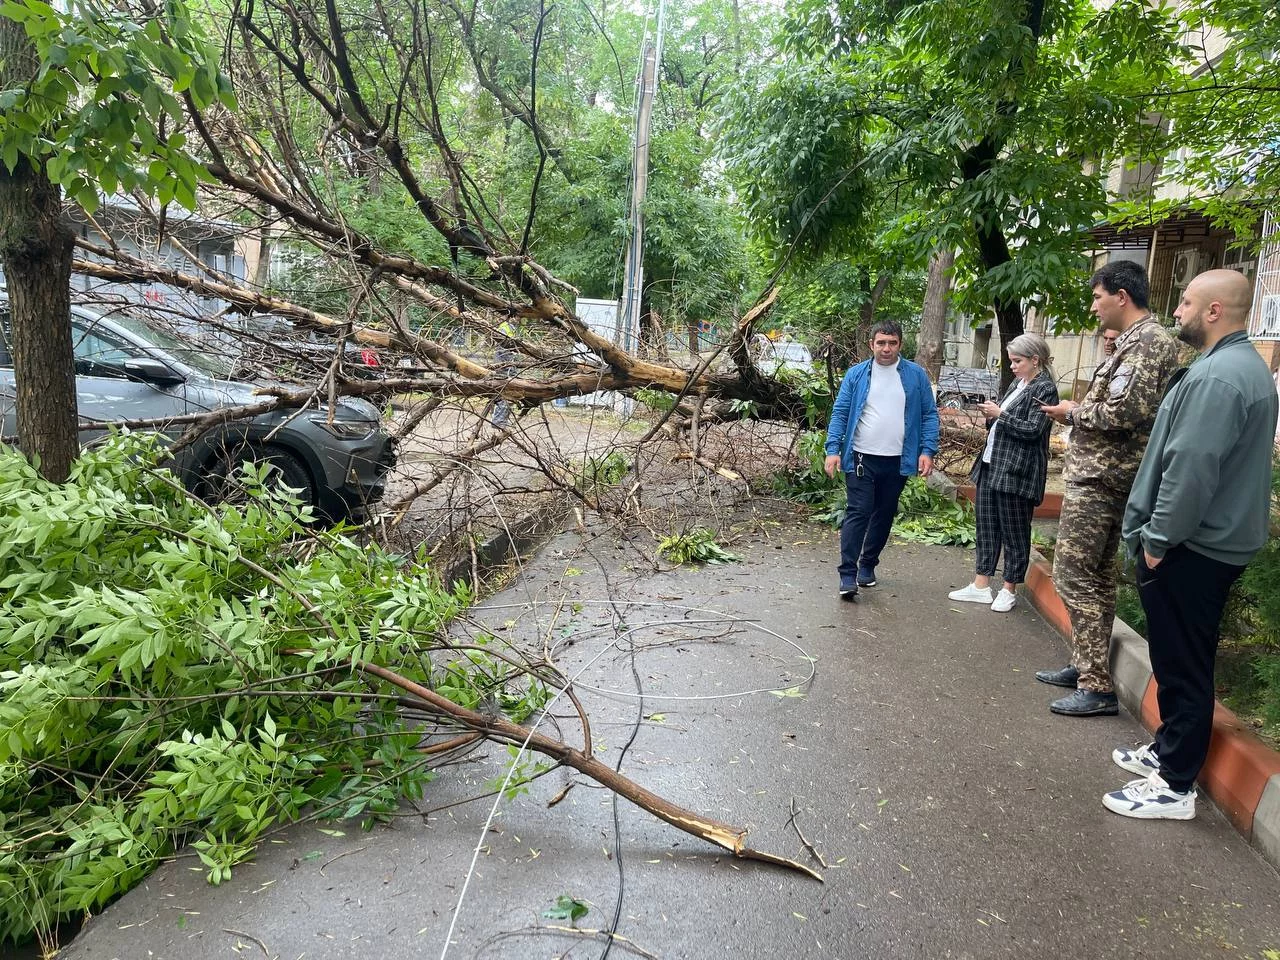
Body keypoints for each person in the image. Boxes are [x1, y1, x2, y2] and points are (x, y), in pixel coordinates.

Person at [1103, 269, 1278, 819]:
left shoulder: (1221, 377)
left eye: (1184, 301)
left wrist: (1158, 539)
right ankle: (1169, 751)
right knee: (1177, 654)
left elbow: (1192, 468)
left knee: (1184, 661)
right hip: (1198, 543)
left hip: (1192, 547)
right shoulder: (1224, 367)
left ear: (1213, 311)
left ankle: (1175, 784)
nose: (1174, 310)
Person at [1037, 261, 1181, 716]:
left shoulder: (1148, 343)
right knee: (1096, 578)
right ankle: (1086, 665)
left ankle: (1096, 685)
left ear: (1122, 295)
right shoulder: (1134, 343)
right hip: (1105, 476)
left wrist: (1072, 413)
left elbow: (1122, 413)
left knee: (1072, 574)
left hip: (1105, 479)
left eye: (1098, 297)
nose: (1094, 306)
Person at [824, 320, 939, 600]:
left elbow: (928, 415)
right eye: (881, 343)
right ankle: (847, 574)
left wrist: (927, 451)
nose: (886, 348)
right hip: (861, 457)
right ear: (871, 344)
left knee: (884, 514)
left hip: (898, 460)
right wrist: (832, 449)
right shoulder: (857, 375)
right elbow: (840, 413)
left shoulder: (915, 376)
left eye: (892, 343)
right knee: (858, 511)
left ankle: (868, 565)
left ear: (900, 344)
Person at [947, 333, 1059, 612]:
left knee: (1014, 531)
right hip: (991, 464)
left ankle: (1009, 588)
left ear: (1035, 360)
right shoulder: (1018, 384)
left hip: (1017, 471)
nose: (1012, 366)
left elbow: (1034, 430)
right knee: (986, 526)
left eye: (1017, 361)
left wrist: (1000, 415)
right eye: (1011, 360)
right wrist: (991, 417)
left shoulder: (1045, 388)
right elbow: (1003, 422)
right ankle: (981, 585)